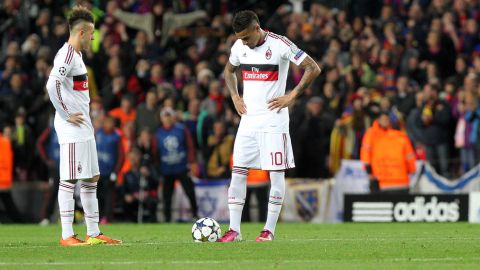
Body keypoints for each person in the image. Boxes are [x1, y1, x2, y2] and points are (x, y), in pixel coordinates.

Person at [218, 10, 320, 242]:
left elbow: (313, 67)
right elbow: (228, 71)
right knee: (238, 173)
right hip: (248, 121)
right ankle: (234, 230)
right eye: (240, 38)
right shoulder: (239, 47)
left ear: (257, 28)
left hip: (274, 121)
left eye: (246, 37)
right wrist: (234, 95)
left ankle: (268, 230)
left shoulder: (281, 44)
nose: (243, 42)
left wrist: (292, 96)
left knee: (275, 174)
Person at [45, 6, 121, 246]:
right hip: (72, 128)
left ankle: (94, 232)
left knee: (92, 177)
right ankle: (67, 235)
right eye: (91, 33)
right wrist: (66, 113)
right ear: (80, 33)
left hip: (84, 126)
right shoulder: (66, 55)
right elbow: (51, 85)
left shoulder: (76, 56)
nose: (93, 37)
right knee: (69, 179)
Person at [155, 107, 198, 222]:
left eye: (169, 116)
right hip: (166, 169)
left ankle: (195, 214)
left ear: (173, 117)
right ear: (161, 118)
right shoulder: (158, 132)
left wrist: (192, 162)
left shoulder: (181, 129)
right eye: (165, 116)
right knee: (167, 196)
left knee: (190, 191)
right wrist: (157, 167)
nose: (167, 118)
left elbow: (190, 146)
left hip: (182, 167)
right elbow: (156, 151)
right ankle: (167, 219)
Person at [360, 113, 416, 193]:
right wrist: (369, 171)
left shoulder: (400, 136)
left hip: (398, 179)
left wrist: (411, 169)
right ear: (378, 120)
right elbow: (366, 154)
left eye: (387, 119)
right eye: (383, 119)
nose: (385, 121)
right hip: (380, 178)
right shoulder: (372, 133)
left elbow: (409, 156)